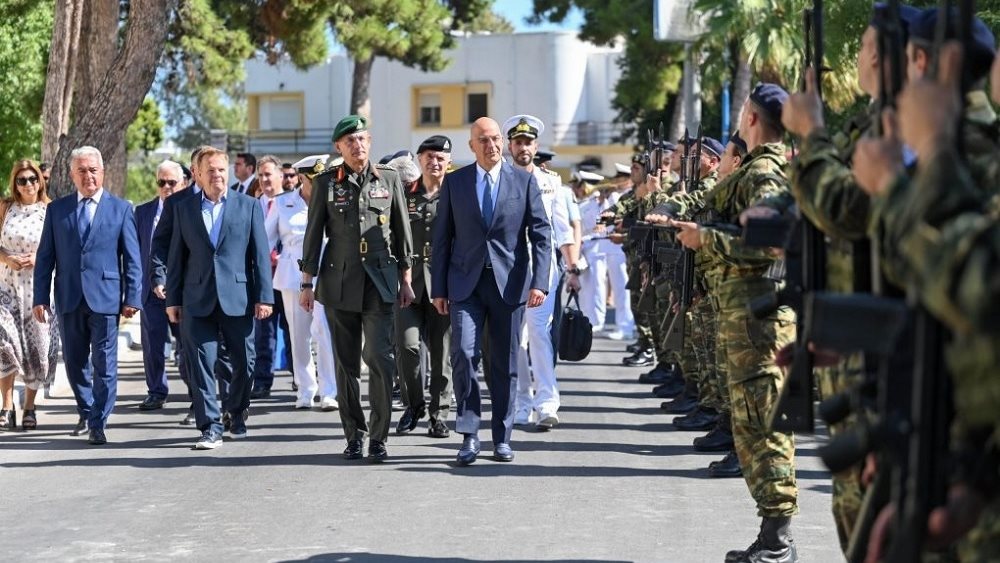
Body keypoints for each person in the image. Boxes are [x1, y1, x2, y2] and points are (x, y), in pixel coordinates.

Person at [670, 84, 799, 561]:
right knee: (755, 426)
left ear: (751, 119)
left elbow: (773, 243)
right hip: (751, 320)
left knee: (765, 428)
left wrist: (707, 239)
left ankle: (778, 543)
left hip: (759, 322)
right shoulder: (762, 170)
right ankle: (772, 538)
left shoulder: (764, 172)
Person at [431, 116, 552, 465]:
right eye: (483, 140)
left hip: (509, 285)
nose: (492, 145)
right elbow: (442, 240)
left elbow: (541, 236)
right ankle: (469, 434)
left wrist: (539, 282)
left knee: (504, 363)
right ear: (472, 146)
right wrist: (439, 288)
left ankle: (501, 436)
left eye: (496, 139)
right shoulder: (456, 183)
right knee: (464, 354)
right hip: (465, 284)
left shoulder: (523, 182)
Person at [299, 115, 415, 462]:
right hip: (339, 283)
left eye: (362, 139)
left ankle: (379, 437)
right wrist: (307, 281)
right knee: (345, 364)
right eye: (350, 141)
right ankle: (354, 434)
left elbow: (401, 230)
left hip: (380, 282)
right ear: (339, 147)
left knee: (381, 358)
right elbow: (313, 235)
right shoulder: (325, 184)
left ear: (370, 141)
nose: (357, 145)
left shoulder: (389, 179)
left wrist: (406, 278)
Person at [32, 146, 142, 445]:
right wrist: (39, 296)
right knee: (75, 360)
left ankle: (98, 421)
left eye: (93, 169)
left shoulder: (120, 209)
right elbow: (45, 257)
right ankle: (87, 408)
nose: (88, 175)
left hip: (106, 298)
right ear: (72, 175)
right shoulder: (57, 210)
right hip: (68, 296)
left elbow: (132, 258)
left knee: (105, 363)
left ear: (102, 172)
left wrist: (132, 297)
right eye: (82, 170)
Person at [165, 147, 273, 450]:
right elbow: (176, 257)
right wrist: (173, 300)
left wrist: (264, 297)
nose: (217, 175)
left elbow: (260, 255)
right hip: (196, 299)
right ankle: (210, 427)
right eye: (210, 170)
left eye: (222, 169)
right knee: (200, 364)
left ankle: (235, 412)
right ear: (197, 174)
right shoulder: (183, 208)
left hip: (238, 298)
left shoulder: (248, 205)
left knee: (246, 362)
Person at [502, 114, 577, 431]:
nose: (523, 147)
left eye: (528, 142)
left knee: (539, 334)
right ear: (510, 146)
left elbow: (563, 231)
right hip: (508, 268)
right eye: (518, 142)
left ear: (536, 146)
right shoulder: (500, 179)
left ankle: (547, 401)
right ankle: (522, 401)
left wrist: (572, 267)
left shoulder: (552, 184)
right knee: (514, 340)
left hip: (542, 267)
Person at [265, 154, 338, 411]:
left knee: (325, 332)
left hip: (325, 274)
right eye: (314, 179)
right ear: (303, 179)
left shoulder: (331, 200)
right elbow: (265, 238)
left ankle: (329, 391)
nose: (319, 183)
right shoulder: (283, 203)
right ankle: (305, 389)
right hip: (292, 275)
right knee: (299, 335)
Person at [392, 136, 453, 438]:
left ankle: (439, 414)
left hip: (444, 286)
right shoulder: (404, 195)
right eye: (429, 156)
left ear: (449, 162)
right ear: (418, 160)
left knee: (442, 354)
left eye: (441, 157)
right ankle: (413, 405)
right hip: (408, 285)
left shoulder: (457, 195)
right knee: (407, 347)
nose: (435, 162)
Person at [0, 160, 53, 431]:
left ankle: (30, 407)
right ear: (15, 184)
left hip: (38, 290)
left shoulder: (50, 209)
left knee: (37, 351)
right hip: (6, 289)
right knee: (3, 343)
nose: (28, 184)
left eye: (33, 179)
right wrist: (6, 257)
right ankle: (7, 407)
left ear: (40, 181)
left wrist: (40, 257)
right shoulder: (5, 208)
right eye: (22, 180)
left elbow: (60, 249)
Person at [135, 160, 191, 412]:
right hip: (150, 292)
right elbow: (135, 252)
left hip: (183, 292)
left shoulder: (191, 209)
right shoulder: (143, 212)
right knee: (153, 346)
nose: (167, 187)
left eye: (172, 182)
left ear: (184, 183)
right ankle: (156, 391)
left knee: (187, 346)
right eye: (162, 182)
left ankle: (196, 392)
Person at [249, 155, 287, 399]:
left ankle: (300, 379)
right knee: (264, 333)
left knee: (295, 332)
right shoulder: (252, 204)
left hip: (289, 275)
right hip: (262, 279)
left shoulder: (292, 202)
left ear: (280, 176)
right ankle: (263, 380)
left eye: (268, 174)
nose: (264, 180)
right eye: (260, 175)